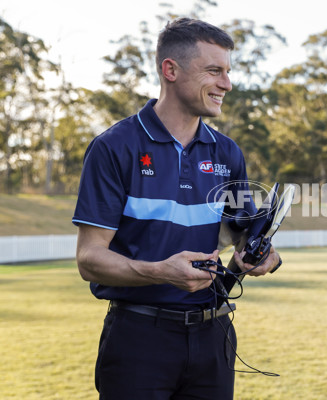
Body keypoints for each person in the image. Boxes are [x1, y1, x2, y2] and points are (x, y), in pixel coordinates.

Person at [72, 18, 280, 399]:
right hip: (138, 341)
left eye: (228, 72)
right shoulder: (114, 147)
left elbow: (242, 237)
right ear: (171, 70)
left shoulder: (228, 152)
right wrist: (160, 272)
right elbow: (89, 259)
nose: (227, 84)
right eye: (214, 71)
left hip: (214, 336)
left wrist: (262, 256)